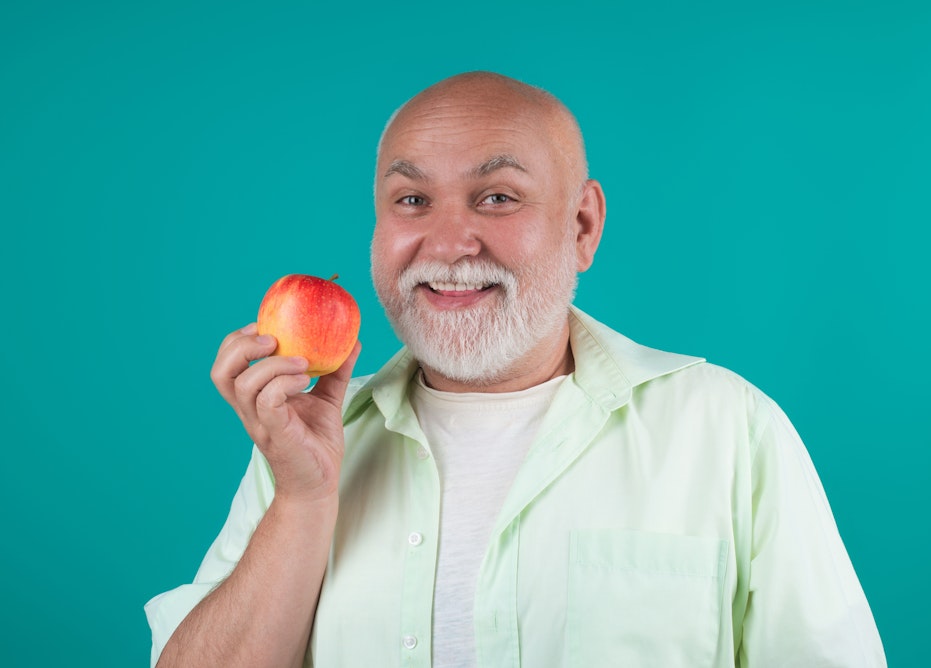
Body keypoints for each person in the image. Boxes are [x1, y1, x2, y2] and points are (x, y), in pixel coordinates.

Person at [146, 71, 886, 667]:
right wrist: (303, 501)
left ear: (582, 226)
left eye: (497, 197)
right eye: (412, 200)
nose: (450, 243)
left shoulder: (728, 430)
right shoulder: (308, 447)